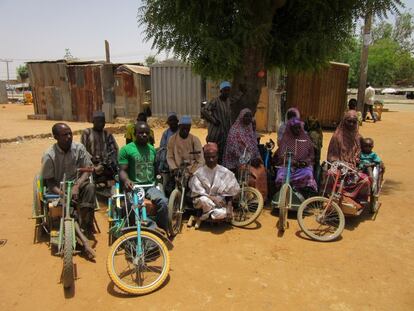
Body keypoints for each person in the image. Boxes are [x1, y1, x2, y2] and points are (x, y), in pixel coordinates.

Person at [41, 123, 96, 256]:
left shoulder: (79, 148)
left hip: (77, 183)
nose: (69, 136)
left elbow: (87, 171)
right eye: (65, 135)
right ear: (56, 137)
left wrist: (77, 185)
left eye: (70, 133)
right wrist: (63, 193)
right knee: (67, 206)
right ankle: (82, 238)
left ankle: (85, 227)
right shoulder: (49, 155)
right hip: (59, 188)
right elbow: (49, 182)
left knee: (90, 187)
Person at [118, 121, 169, 233]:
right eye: (141, 133)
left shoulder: (152, 149)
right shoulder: (126, 150)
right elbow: (122, 170)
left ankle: (162, 228)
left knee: (164, 202)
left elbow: (155, 169)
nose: (144, 135)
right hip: (134, 187)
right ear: (135, 134)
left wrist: (159, 177)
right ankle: (152, 229)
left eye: (147, 133)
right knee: (135, 206)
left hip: (150, 186)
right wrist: (126, 180)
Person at [189, 143, 240, 221]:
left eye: (213, 157)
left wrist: (229, 207)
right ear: (204, 157)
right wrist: (212, 198)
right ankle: (209, 214)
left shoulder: (226, 172)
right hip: (204, 201)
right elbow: (198, 192)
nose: (211, 160)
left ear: (217, 156)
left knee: (221, 213)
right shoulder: (198, 173)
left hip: (219, 203)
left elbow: (230, 193)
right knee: (204, 200)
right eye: (208, 157)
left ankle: (207, 215)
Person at [327, 111, 370, 202]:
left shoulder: (358, 138)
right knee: (329, 174)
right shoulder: (337, 137)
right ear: (344, 121)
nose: (351, 124)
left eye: (354, 122)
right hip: (339, 168)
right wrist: (341, 164)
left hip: (353, 170)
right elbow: (331, 156)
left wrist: (358, 163)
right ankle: (330, 197)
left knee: (365, 181)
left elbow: (366, 153)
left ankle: (356, 199)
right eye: (349, 121)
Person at [274, 117, 317, 194]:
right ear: (290, 128)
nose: (297, 130)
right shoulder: (285, 140)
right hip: (287, 166)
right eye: (295, 128)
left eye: (299, 128)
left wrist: (304, 162)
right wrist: (292, 162)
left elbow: (311, 156)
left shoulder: (306, 139)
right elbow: (281, 155)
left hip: (303, 167)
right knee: (281, 176)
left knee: (308, 174)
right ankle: (283, 195)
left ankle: (303, 195)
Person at [201, 81, 240, 163]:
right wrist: (213, 120)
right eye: (225, 90)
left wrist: (241, 92)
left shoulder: (228, 101)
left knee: (222, 155)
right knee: (212, 153)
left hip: (225, 134)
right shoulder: (215, 101)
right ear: (221, 91)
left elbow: (235, 99)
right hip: (215, 133)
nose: (227, 92)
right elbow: (204, 110)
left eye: (228, 90)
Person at [80, 111, 119, 182]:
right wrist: (92, 160)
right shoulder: (87, 133)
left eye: (103, 122)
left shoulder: (107, 134)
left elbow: (114, 150)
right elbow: (83, 150)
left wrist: (107, 162)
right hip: (91, 164)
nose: (101, 124)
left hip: (106, 165)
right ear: (93, 121)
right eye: (98, 121)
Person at [304, 116, 323, 180]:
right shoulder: (319, 132)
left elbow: (314, 147)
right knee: (316, 170)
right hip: (317, 157)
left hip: (312, 158)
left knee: (313, 173)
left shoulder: (312, 134)